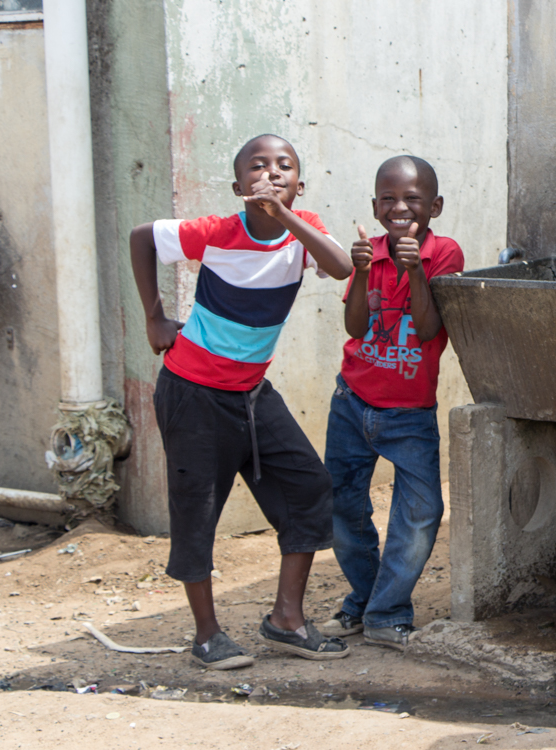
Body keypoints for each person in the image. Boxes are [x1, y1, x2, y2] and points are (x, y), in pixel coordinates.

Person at [129, 134, 354, 669]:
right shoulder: (217, 233)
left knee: (308, 485)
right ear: (238, 186)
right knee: (198, 508)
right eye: (259, 166)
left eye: (285, 167)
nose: (272, 173)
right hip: (192, 393)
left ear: (300, 184)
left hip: (252, 395)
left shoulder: (306, 234)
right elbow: (142, 237)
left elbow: (343, 268)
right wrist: (154, 316)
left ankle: (287, 619)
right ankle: (207, 635)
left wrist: (285, 214)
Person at [321, 155, 464, 650]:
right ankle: (367, 601)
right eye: (388, 198)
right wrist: (362, 273)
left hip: (408, 414)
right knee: (343, 506)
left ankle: (385, 614)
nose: (399, 207)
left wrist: (416, 271)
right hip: (352, 402)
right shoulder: (370, 253)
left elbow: (428, 329)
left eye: (412, 199)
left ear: (434, 206)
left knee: (421, 512)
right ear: (375, 205)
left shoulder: (444, 253)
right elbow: (356, 328)